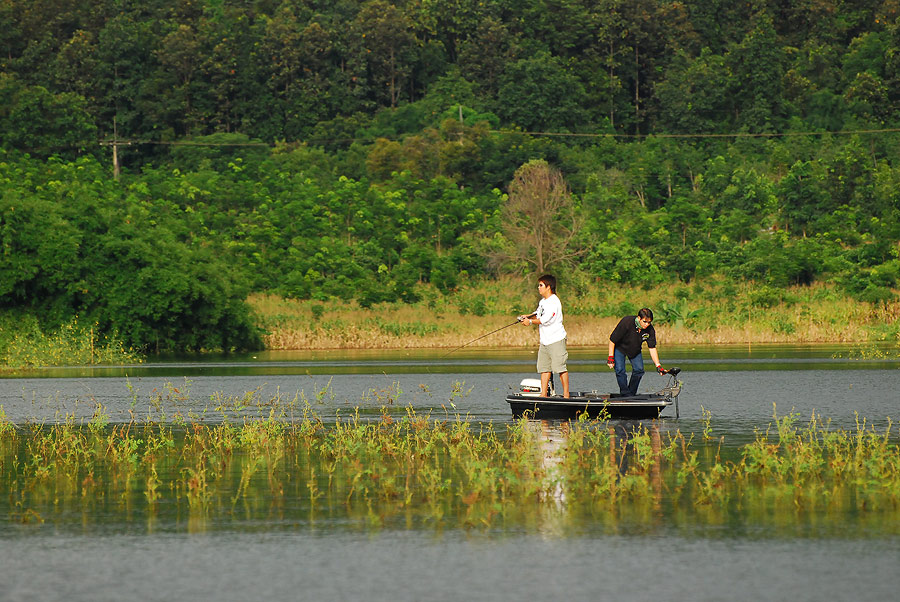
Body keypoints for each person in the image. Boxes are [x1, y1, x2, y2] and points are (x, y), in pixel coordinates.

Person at [518, 274, 569, 398]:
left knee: (560, 368)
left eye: (541, 285)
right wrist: (527, 316)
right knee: (544, 368)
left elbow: (546, 319)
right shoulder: (543, 302)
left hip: (556, 339)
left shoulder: (554, 302)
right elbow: (538, 314)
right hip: (544, 341)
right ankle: (543, 395)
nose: (538, 288)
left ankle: (566, 395)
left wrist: (529, 322)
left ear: (548, 287)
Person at [606, 308, 665, 396]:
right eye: (644, 322)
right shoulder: (626, 322)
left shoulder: (650, 330)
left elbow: (652, 348)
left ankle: (631, 393)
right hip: (619, 348)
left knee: (639, 370)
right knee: (620, 370)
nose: (647, 324)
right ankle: (625, 393)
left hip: (635, 350)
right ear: (639, 318)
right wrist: (610, 357)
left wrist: (658, 365)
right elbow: (612, 340)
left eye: (649, 322)